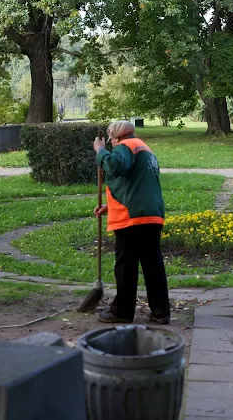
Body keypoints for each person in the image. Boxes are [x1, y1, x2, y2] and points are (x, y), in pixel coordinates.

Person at [92, 120, 171, 324]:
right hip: (151, 214)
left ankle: (122, 311)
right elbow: (137, 184)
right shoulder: (145, 150)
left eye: (111, 140)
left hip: (132, 218)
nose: (111, 144)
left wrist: (100, 152)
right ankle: (161, 311)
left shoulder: (126, 147)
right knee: (152, 264)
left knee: (126, 265)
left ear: (116, 137)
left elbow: (115, 165)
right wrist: (110, 206)